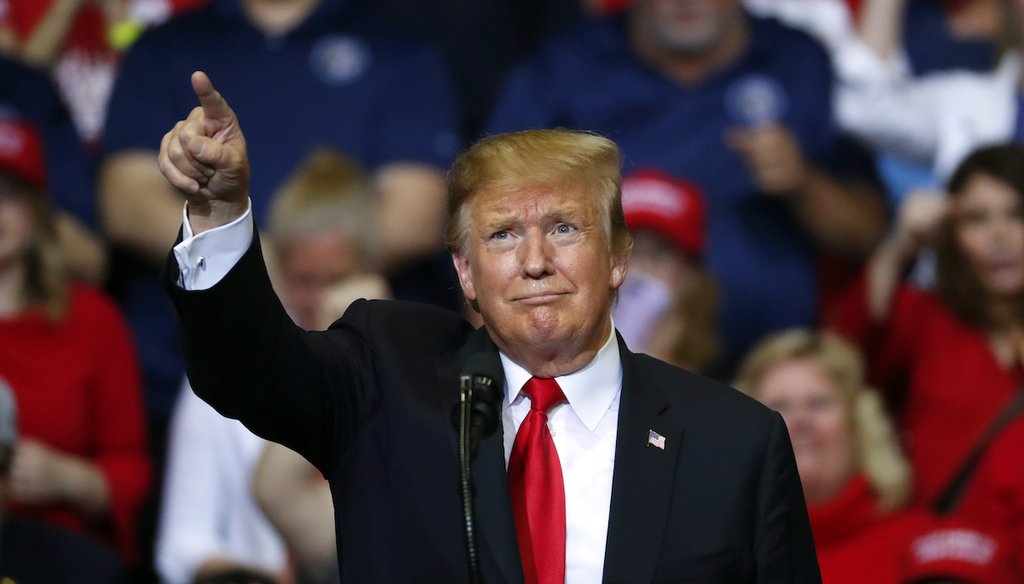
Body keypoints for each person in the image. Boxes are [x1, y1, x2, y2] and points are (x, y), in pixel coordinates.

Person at [156, 71, 820, 583]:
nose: (535, 262)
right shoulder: (388, 375)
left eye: (563, 228)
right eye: (503, 236)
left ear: (619, 255)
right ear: (466, 274)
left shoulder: (735, 444)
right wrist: (217, 214)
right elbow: (245, 370)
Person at [99, 0, 460, 435]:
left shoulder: (397, 45)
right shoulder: (167, 47)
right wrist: (248, 259)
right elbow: (124, 201)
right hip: (187, 370)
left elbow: (418, 211)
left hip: (361, 366)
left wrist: (289, 274)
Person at [487, 0, 889, 367]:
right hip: (605, 364)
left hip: (772, 369)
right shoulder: (565, 66)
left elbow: (869, 236)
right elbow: (490, 221)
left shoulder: (796, 59)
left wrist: (803, 183)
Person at [156, 148, 382, 584]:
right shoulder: (232, 373)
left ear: (371, 269)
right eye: (303, 281)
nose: (319, 301)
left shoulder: (408, 370)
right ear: (276, 268)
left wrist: (368, 342)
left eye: (336, 279)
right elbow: (181, 546)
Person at [828, 143, 1024, 506]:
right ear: (951, 234)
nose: (1000, 235)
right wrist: (902, 243)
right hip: (943, 549)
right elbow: (844, 355)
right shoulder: (928, 318)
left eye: (1017, 215)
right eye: (977, 219)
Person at [0, 113, 150, 562]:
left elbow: (134, 471)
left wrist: (72, 479)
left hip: (61, 554)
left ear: (37, 211)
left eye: (8, 194)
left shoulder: (92, 319)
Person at [612, 168, 720, 374]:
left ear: (691, 275)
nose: (640, 269)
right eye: (628, 251)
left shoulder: (720, 380)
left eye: (658, 253)